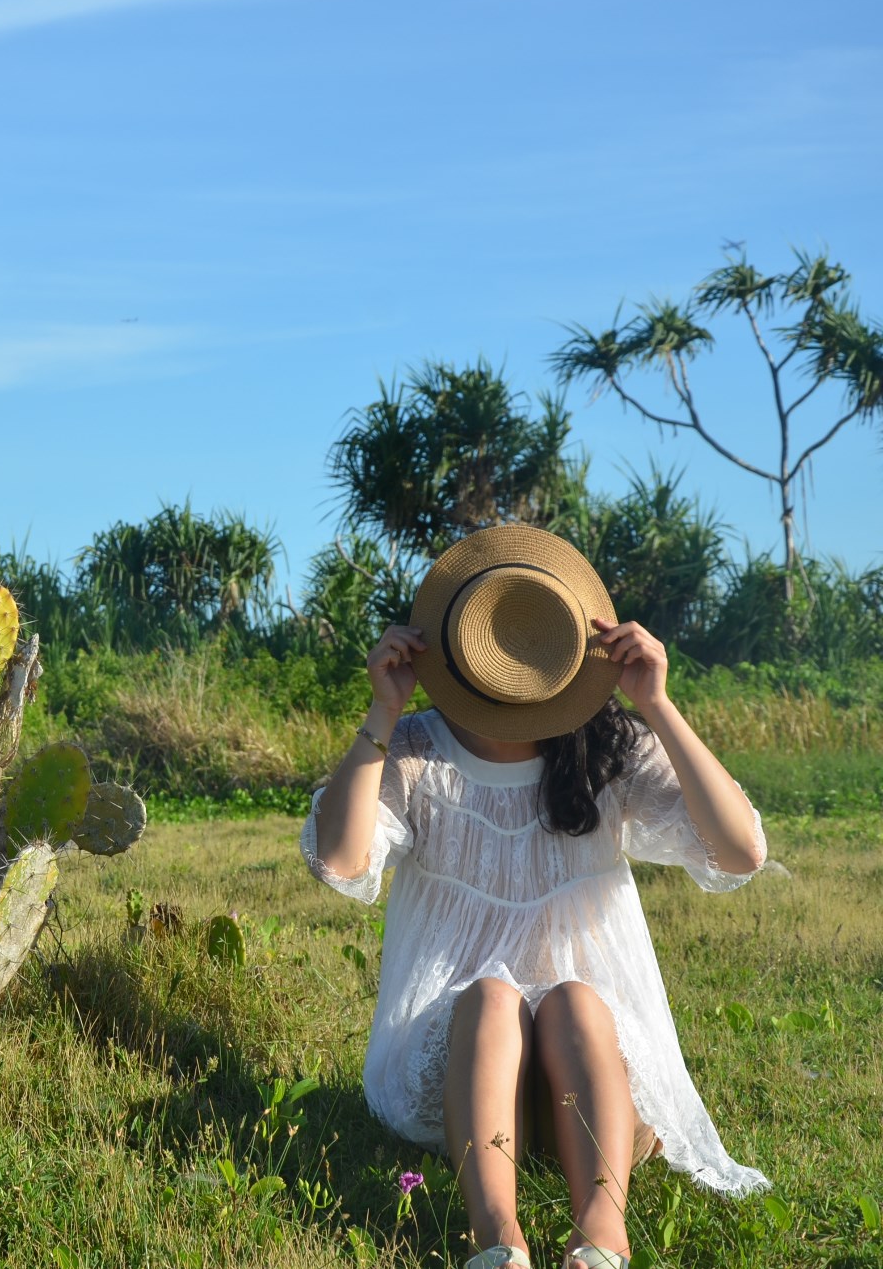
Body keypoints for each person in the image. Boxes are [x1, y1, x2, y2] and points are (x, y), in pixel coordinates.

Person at [300, 524, 769, 1269]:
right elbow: (340, 858)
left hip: (599, 1080)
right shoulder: (419, 751)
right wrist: (381, 713)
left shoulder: (607, 745)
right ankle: (498, 1242)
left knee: (576, 998)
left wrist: (659, 704)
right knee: (489, 995)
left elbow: (739, 850)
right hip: (467, 1074)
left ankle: (601, 1236)